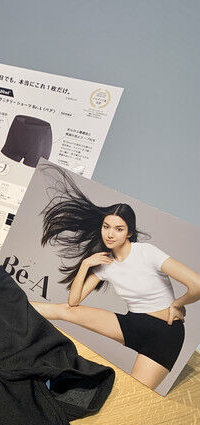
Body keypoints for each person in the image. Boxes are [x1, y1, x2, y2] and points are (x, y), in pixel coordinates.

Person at [30, 164, 200, 390]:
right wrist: (86, 265)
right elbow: (73, 302)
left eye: (119, 229)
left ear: (129, 232)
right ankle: (6, 303)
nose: (110, 234)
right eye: (106, 226)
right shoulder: (104, 263)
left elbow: (197, 284)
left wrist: (177, 304)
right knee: (65, 311)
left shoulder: (147, 252)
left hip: (164, 334)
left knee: (136, 395)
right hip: (132, 324)